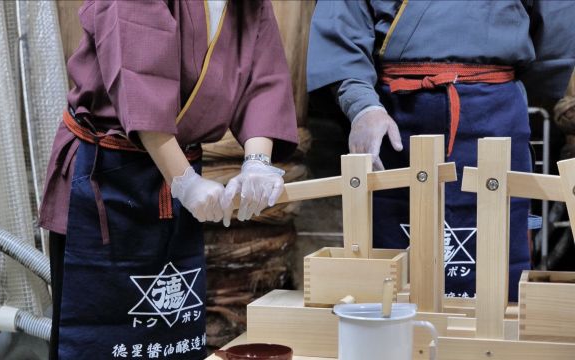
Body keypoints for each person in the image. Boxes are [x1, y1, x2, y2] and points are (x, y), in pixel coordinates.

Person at [38, 1, 298, 358]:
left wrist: (257, 161)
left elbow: (263, 75)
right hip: (110, 176)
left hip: (177, 179)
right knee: (100, 341)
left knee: (170, 332)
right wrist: (185, 181)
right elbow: (139, 77)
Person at [307, 1, 575, 301]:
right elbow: (342, 22)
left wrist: (506, 84)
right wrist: (362, 106)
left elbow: (555, 26)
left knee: (499, 263)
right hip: (395, 113)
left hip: (494, 108)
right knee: (391, 275)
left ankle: (493, 343)